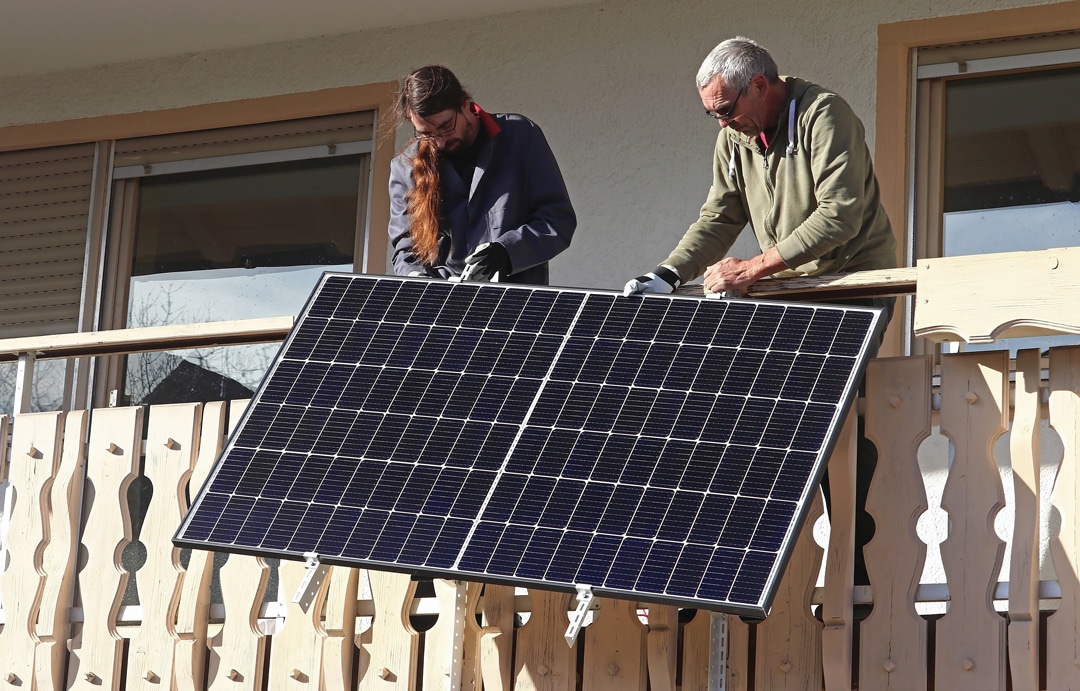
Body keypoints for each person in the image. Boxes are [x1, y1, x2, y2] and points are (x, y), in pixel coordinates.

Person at [625, 37, 898, 591]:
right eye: (712, 114)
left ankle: (854, 561)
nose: (722, 123)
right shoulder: (734, 137)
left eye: (726, 109)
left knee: (839, 419)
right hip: (790, 288)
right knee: (765, 419)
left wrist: (753, 268)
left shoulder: (824, 115)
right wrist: (667, 274)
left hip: (849, 284)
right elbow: (720, 216)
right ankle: (750, 564)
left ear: (760, 85)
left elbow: (841, 215)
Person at [388, 65, 576, 285]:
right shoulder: (405, 167)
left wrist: (506, 252)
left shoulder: (520, 136)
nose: (440, 142)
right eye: (426, 134)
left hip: (513, 301)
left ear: (465, 104)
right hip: (440, 302)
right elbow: (406, 248)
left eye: (446, 127)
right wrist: (415, 278)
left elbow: (557, 220)